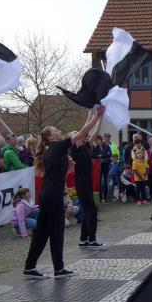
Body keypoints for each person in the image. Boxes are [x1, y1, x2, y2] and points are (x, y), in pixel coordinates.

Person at [23, 106, 104, 279]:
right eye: (56, 130)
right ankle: (58, 269)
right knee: (57, 231)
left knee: (42, 231)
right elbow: (82, 132)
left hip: (47, 193)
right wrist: (97, 116)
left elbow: (57, 175)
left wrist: (69, 169)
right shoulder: (58, 146)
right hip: (52, 195)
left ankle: (30, 266)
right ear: (50, 137)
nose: (59, 131)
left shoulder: (51, 150)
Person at [72, 110, 103, 248]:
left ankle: (83, 239)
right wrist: (90, 116)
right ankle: (92, 239)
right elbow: (84, 131)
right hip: (81, 182)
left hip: (87, 181)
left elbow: (96, 132)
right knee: (92, 210)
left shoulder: (85, 147)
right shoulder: (73, 149)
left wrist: (100, 117)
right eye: (77, 135)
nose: (82, 136)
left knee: (86, 211)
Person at [92, 135, 112, 203]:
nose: (97, 141)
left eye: (98, 140)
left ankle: (105, 197)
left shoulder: (106, 146)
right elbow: (94, 156)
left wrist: (100, 155)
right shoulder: (95, 148)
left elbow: (109, 154)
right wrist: (103, 155)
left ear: (101, 140)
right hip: (99, 167)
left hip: (106, 165)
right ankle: (100, 198)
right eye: (96, 140)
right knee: (99, 182)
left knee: (106, 181)